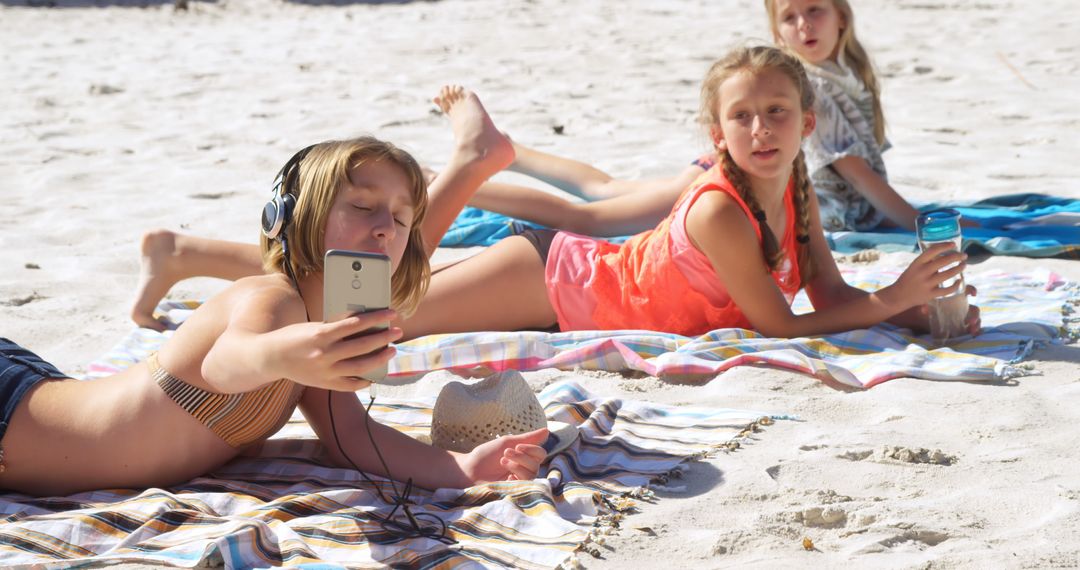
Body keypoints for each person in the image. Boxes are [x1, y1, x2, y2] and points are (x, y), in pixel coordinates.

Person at [0, 87, 548, 498]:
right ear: (294, 216)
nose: (386, 226)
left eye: (403, 219)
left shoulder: (324, 327)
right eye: (362, 206)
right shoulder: (271, 299)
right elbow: (227, 363)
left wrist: (462, 470)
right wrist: (287, 353)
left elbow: (353, 436)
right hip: (14, 414)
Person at [396, 46, 979, 341]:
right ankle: (468, 164)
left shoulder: (795, 185)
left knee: (371, 308)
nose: (760, 129)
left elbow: (827, 292)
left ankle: (466, 169)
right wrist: (894, 296)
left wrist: (915, 314)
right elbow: (779, 325)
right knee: (367, 315)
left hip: (568, 290)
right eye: (742, 116)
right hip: (554, 283)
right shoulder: (720, 208)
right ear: (717, 133)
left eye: (777, 113)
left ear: (807, 124)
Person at [447, 0, 925, 234]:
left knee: (606, 189)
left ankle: (511, 155)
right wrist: (917, 223)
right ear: (775, 27)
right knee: (591, 218)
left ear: (842, 15)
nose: (804, 26)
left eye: (815, 11)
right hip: (735, 177)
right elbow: (855, 172)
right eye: (789, 17)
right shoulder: (809, 84)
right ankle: (458, 179)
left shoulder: (843, 73)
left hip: (737, 167)